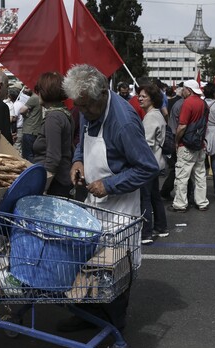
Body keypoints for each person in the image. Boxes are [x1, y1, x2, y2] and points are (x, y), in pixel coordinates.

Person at [60, 64, 159, 332]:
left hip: (120, 206)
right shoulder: (86, 108)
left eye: (87, 106)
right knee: (90, 260)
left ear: (103, 93)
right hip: (96, 201)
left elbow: (148, 168)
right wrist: (78, 161)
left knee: (116, 269)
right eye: (79, 106)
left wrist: (111, 184)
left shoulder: (124, 122)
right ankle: (88, 315)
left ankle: (115, 326)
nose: (82, 112)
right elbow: (83, 140)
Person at [169, 79, 210, 212]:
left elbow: (182, 126)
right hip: (199, 144)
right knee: (200, 175)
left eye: (184, 89)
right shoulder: (204, 104)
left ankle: (180, 204)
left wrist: (176, 141)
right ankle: (202, 202)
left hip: (186, 144)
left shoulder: (187, 103)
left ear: (189, 90)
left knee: (182, 176)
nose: (182, 91)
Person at [32, 72, 74, 197]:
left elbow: (53, 157)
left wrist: (43, 188)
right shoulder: (63, 113)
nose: (37, 94)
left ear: (45, 91)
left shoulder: (53, 117)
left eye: (39, 90)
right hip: (60, 180)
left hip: (54, 184)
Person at [138, 83, 169, 245]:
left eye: (144, 96)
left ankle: (146, 233)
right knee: (155, 196)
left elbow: (146, 144)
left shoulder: (150, 117)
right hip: (157, 163)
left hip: (148, 164)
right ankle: (161, 227)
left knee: (145, 198)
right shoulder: (157, 115)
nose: (140, 98)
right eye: (139, 95)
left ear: (153, 99)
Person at [19, 85, 42, 161]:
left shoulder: (33, 98)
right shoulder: (39, 98)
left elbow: (22, 110)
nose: (25, 90)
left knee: (27, 156)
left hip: (29, 130)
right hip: (35, 129)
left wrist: (25, 114)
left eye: (27, 88)